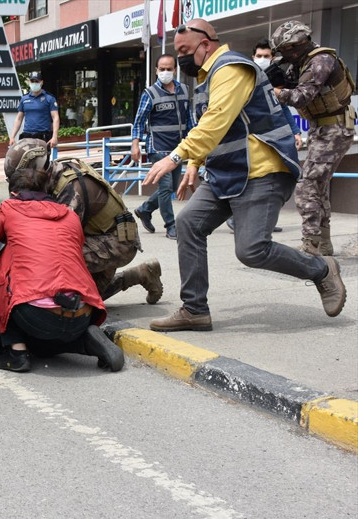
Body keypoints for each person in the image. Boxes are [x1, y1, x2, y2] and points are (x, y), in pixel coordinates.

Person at [143, 20, 347, 332]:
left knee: (252, 250)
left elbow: (217, 119)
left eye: (185, 51)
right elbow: (208, 126)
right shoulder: (207, 78)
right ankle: (194, 310)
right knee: (188, 223)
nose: (180, 59)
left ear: (205, 44)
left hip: (261, 169)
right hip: (227, 173)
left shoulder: (231, 68)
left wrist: (176, 157)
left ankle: (322, 269)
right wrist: (195, 162)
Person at [0, 167, 123, 373]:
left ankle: (16, 352)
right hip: (82, 313)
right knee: (43, 345)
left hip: (35, 315)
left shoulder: (8, 208)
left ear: (14, 193)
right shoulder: (70, 215)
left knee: (0, 262)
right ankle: (86, 342)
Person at [4, 139, 163, 306]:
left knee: (70, 292)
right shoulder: (53, 174)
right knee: (88, 301)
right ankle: (141, 274)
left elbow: (58, 244)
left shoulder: (70, 189)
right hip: (98, 236)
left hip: (119, 243)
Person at [267, 20, 356, 256]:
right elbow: (294, 85)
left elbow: (301, 97)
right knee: (318, 187)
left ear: (297, 45)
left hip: (335, 128)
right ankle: (322, 243)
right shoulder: (302, 62)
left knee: (307, 187)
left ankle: (311, 244)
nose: (285, 55)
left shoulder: (320, 61)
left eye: (286, 49)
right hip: (323, 128)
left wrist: (273, 91)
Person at [227, 38, 303, 233]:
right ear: (253, 57)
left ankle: (265, 221)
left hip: (271, 138)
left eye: (266, 56)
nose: (262, 59)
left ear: (272, 57)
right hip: (249, 138)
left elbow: (283, 109)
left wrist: (295, 131)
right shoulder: (245, 76)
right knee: (246, 180)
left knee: (271, 181)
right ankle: (235, 219)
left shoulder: (274, 79)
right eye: (259, 56)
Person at [131, 54, 194, 240]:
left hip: (177, 148)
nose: (165, 72)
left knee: (172, 187)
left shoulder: (184, 90)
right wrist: (135, 144)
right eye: (162, 69)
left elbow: (189, 119)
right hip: (158, 148)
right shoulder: (150, 93)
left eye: (169, 69)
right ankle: (170, 225)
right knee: (166, 186)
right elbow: (138, 121)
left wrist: (194, 142)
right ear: (156, 70)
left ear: (175, 70)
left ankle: (145, 209)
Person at [8, 71, 60, 149]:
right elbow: (19, 119)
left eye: (37, 81)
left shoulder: (49, 98)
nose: (34, 83)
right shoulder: (24, 99)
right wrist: (12, 137)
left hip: (43, 136)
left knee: (42, 157)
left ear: (41, 82)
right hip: (27, 136)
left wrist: (54, 137)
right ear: (29, 82)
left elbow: (55, 118)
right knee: (24, 157)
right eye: (32, 81)